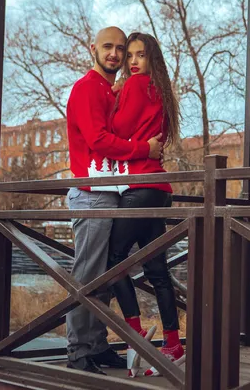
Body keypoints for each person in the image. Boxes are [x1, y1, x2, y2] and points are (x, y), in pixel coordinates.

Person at [65, 26, 163, 375]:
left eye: (121, 49)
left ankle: (97, 346)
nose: (116, 55)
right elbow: (99, 141)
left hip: (112, 193)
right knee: (88, 274)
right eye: (108, 47)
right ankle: (78, 353)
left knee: (105, 274)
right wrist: (144, 149)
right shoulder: (87, 88)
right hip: (91, 195)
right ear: (93, 48)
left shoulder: (110, 90)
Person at [107, 32, 183, 377]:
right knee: (157, 271)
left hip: (139, 186)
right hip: (158, 188)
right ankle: (173, 344)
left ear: (152, 59)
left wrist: (114, 97)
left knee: (113, 259)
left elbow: (116, 128)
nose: (133, 62)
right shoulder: (162, 91)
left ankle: (135, 332)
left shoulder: (137, 86)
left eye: (140, 55)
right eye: (130, 56)